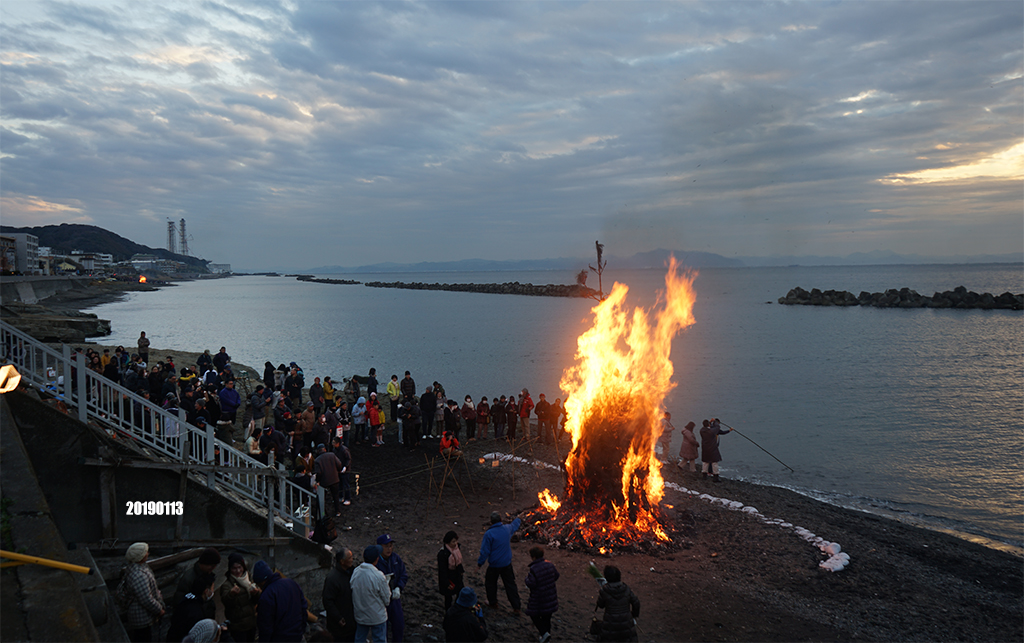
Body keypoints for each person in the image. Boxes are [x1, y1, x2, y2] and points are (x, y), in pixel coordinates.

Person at [253, 560, 307, 642]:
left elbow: (266, 626)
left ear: (261, 581)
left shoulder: (267, 595)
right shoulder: (291, 583)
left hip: (280, 638)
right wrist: (301, 629)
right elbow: (303, 608)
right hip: (297, 635)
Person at [477, 511, 521, 613]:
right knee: (510, 585)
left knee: (490, 583)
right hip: (506, 563)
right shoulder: (506, 529)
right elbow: (514, 525)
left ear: (491, 522)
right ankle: (516, 607)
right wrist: (519, 519)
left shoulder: (489, 534)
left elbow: (485, 551)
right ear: (501, 520)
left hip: (494, 564)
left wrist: (480, 563)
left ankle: (493, 602)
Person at [121, 542, 165, 642]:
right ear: (140, 557)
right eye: (145, 552)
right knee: (143, 638)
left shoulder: (135, 567)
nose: (148, 554)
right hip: (141, 617)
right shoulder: (139, 576)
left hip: (139, 615)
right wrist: (159, 610)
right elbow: (146, 599)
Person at [351, 545, 391, 643]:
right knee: (379, 640)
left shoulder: (356, 572)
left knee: (359, 639)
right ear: (377, 559)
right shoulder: (378, 575)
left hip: (360, 616)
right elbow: (387, 599)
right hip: (377, 617)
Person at [218, 553, 260, 642]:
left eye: (239, 567)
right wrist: (231, 594)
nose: (238, 571)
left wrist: (256, 593)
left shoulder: (249, 579)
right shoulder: (227, 585)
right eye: (234, 568)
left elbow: (256, 601)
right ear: (230, 569)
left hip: (251, 624)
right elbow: (225, 601)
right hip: (238, 627)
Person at [166, 571, 216, 643]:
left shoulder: (186, 599)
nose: (212, 591)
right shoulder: (196, 612)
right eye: (212, 588)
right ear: (206, 591)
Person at [375, 534, 408, 642]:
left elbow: (403, 574)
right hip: (380, 600)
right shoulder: (375, 562)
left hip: (394, 597)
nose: (389, 549)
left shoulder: (395, 558)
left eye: (390, 546)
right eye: (386, 546)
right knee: (381, 627)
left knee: (399, 624)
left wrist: (399, 587)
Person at [595, 565, 640, 642]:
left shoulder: (605, 591)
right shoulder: (626, 589)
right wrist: (633, 615)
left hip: (610, 624)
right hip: (626, 624)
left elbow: (601, 605)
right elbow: (636, 602)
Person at [523, 546, 559, 643]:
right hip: (550, 596)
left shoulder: (534, 569)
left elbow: (531, 583)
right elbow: (556, 575)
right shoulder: (550, 564)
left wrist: (526, 579)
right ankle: (546, 636)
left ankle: (544, 633)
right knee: (547, 617)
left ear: (534, 557)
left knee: (533, 615)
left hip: (539, 597)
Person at [322, 547, 357, 643]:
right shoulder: (332, 579)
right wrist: (338, 618)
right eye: (349, 558)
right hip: (339, 627)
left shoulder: (352, 573)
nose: (352, 560)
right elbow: (327, 601)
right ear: (342, 561)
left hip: (352, 623)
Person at [314, 443, 345, 516]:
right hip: (334, 479)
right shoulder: (332, 455)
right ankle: (338, 511)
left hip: (324, 481)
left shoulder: (317, 460)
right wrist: (338, 470)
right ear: (325, 449)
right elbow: (339, 464)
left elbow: (318, 473)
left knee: (322, 498)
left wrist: (317, 481)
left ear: (318, 451)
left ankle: (322, 513)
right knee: (335, 496)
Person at [437, 530, 465, 611]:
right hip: (448, 577)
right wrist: (446, 582)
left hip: (456, 575)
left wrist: (461, 571)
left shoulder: (456, 549)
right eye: (453, 541)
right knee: (448, 597)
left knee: (460, 592)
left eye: (456, 541)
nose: (456, 543)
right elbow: (442, 570)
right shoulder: (442, 554)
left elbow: (458, 562)